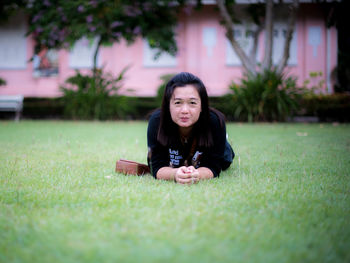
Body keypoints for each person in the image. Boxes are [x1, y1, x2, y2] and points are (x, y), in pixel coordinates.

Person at [147, 72, 234, 184]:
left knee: (225, 160)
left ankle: (224, 142)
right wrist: (175, 174)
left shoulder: (215, 122)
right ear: (168, 105)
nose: (185, 110)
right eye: (178, 102)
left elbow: (214, 167)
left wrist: (197, 174)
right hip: (177, 158)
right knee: (176, 162)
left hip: (208, 150)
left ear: (202, 105)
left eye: (192, 103)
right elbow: (156, 167)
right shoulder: (157, 122)